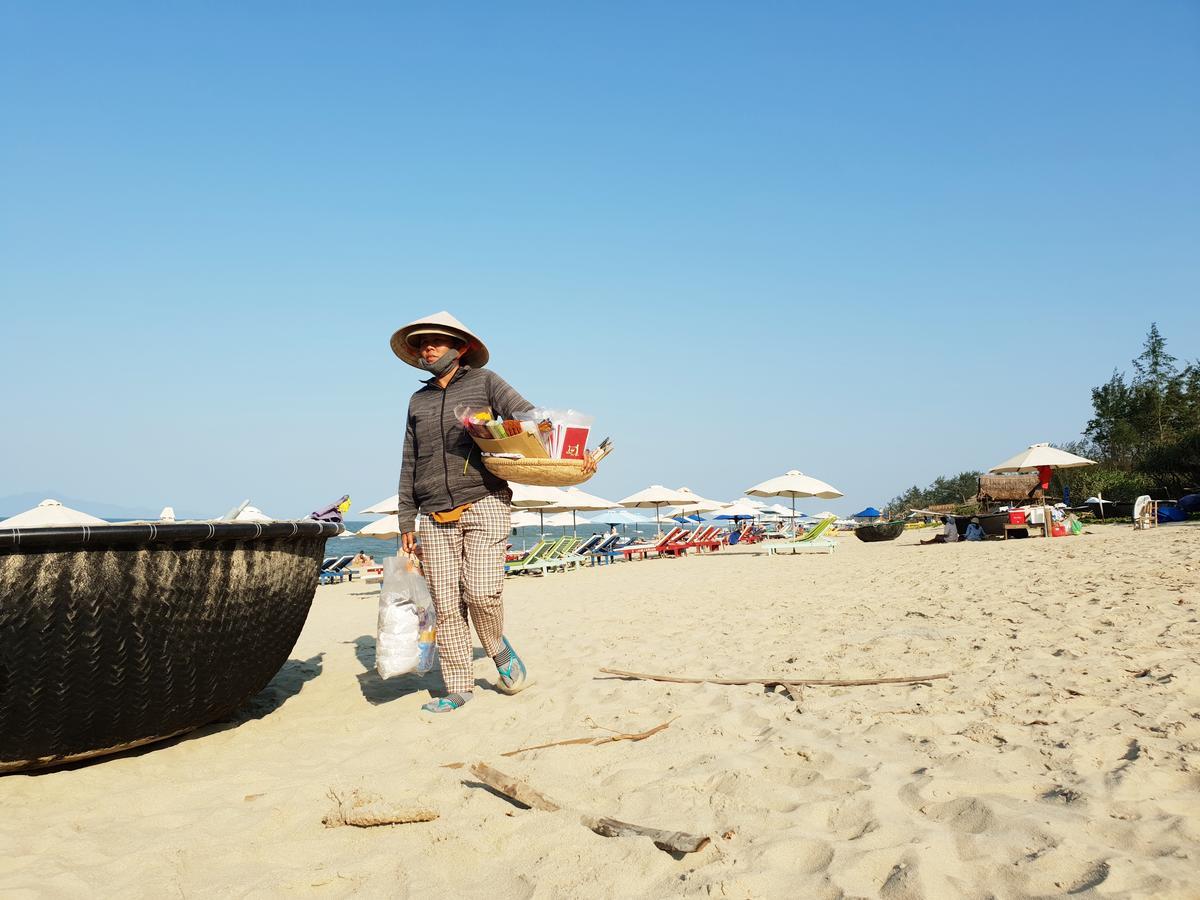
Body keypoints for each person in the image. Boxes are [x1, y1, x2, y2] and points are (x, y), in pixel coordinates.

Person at [392, 311, 594, 714]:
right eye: (420, 344)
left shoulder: (486, 382)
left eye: (435, 341)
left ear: (460, 347)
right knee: (446, 607)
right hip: (432, 514)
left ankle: (498, 648)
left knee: (482, 594)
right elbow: (409, 460)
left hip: (485, 501)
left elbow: (530, 416)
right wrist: (405, 520)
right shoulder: (418, 400)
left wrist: (562, 441)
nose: (426, 348)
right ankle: (459, 687)